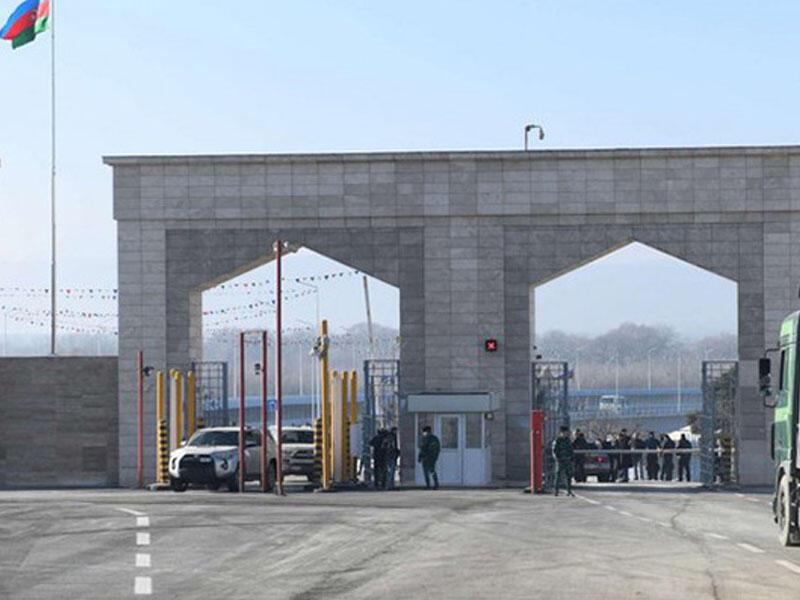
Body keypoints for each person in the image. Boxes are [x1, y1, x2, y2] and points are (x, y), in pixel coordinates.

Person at [552, 426, 575, 497]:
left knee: (568, 476)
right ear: (561, 433)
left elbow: (571, 449)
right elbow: (554, 451)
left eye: (567, 432)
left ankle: (569, 491)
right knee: (558, 476)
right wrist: (557, 459)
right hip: (560, 460)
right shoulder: (557, 440)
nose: (566, 434)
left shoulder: (568, 440)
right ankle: (556, 491)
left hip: (568, 460)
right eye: (565, 432)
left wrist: (571, 458)